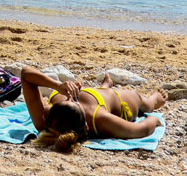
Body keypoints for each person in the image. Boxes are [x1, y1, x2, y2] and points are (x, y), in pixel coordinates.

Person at [19, 65, 167, 152]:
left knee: (98, 91)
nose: (71, 96)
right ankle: (154, 99)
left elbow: (25, 73)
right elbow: (140, 130)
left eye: (67, 99)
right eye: (74, 100)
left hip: (94, 94)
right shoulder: (101, 119)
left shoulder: (44, 120)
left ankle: (103, 87)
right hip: (114, 99)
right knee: (144, 103)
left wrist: (57, 86)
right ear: (85, 125)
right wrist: (154, 119)